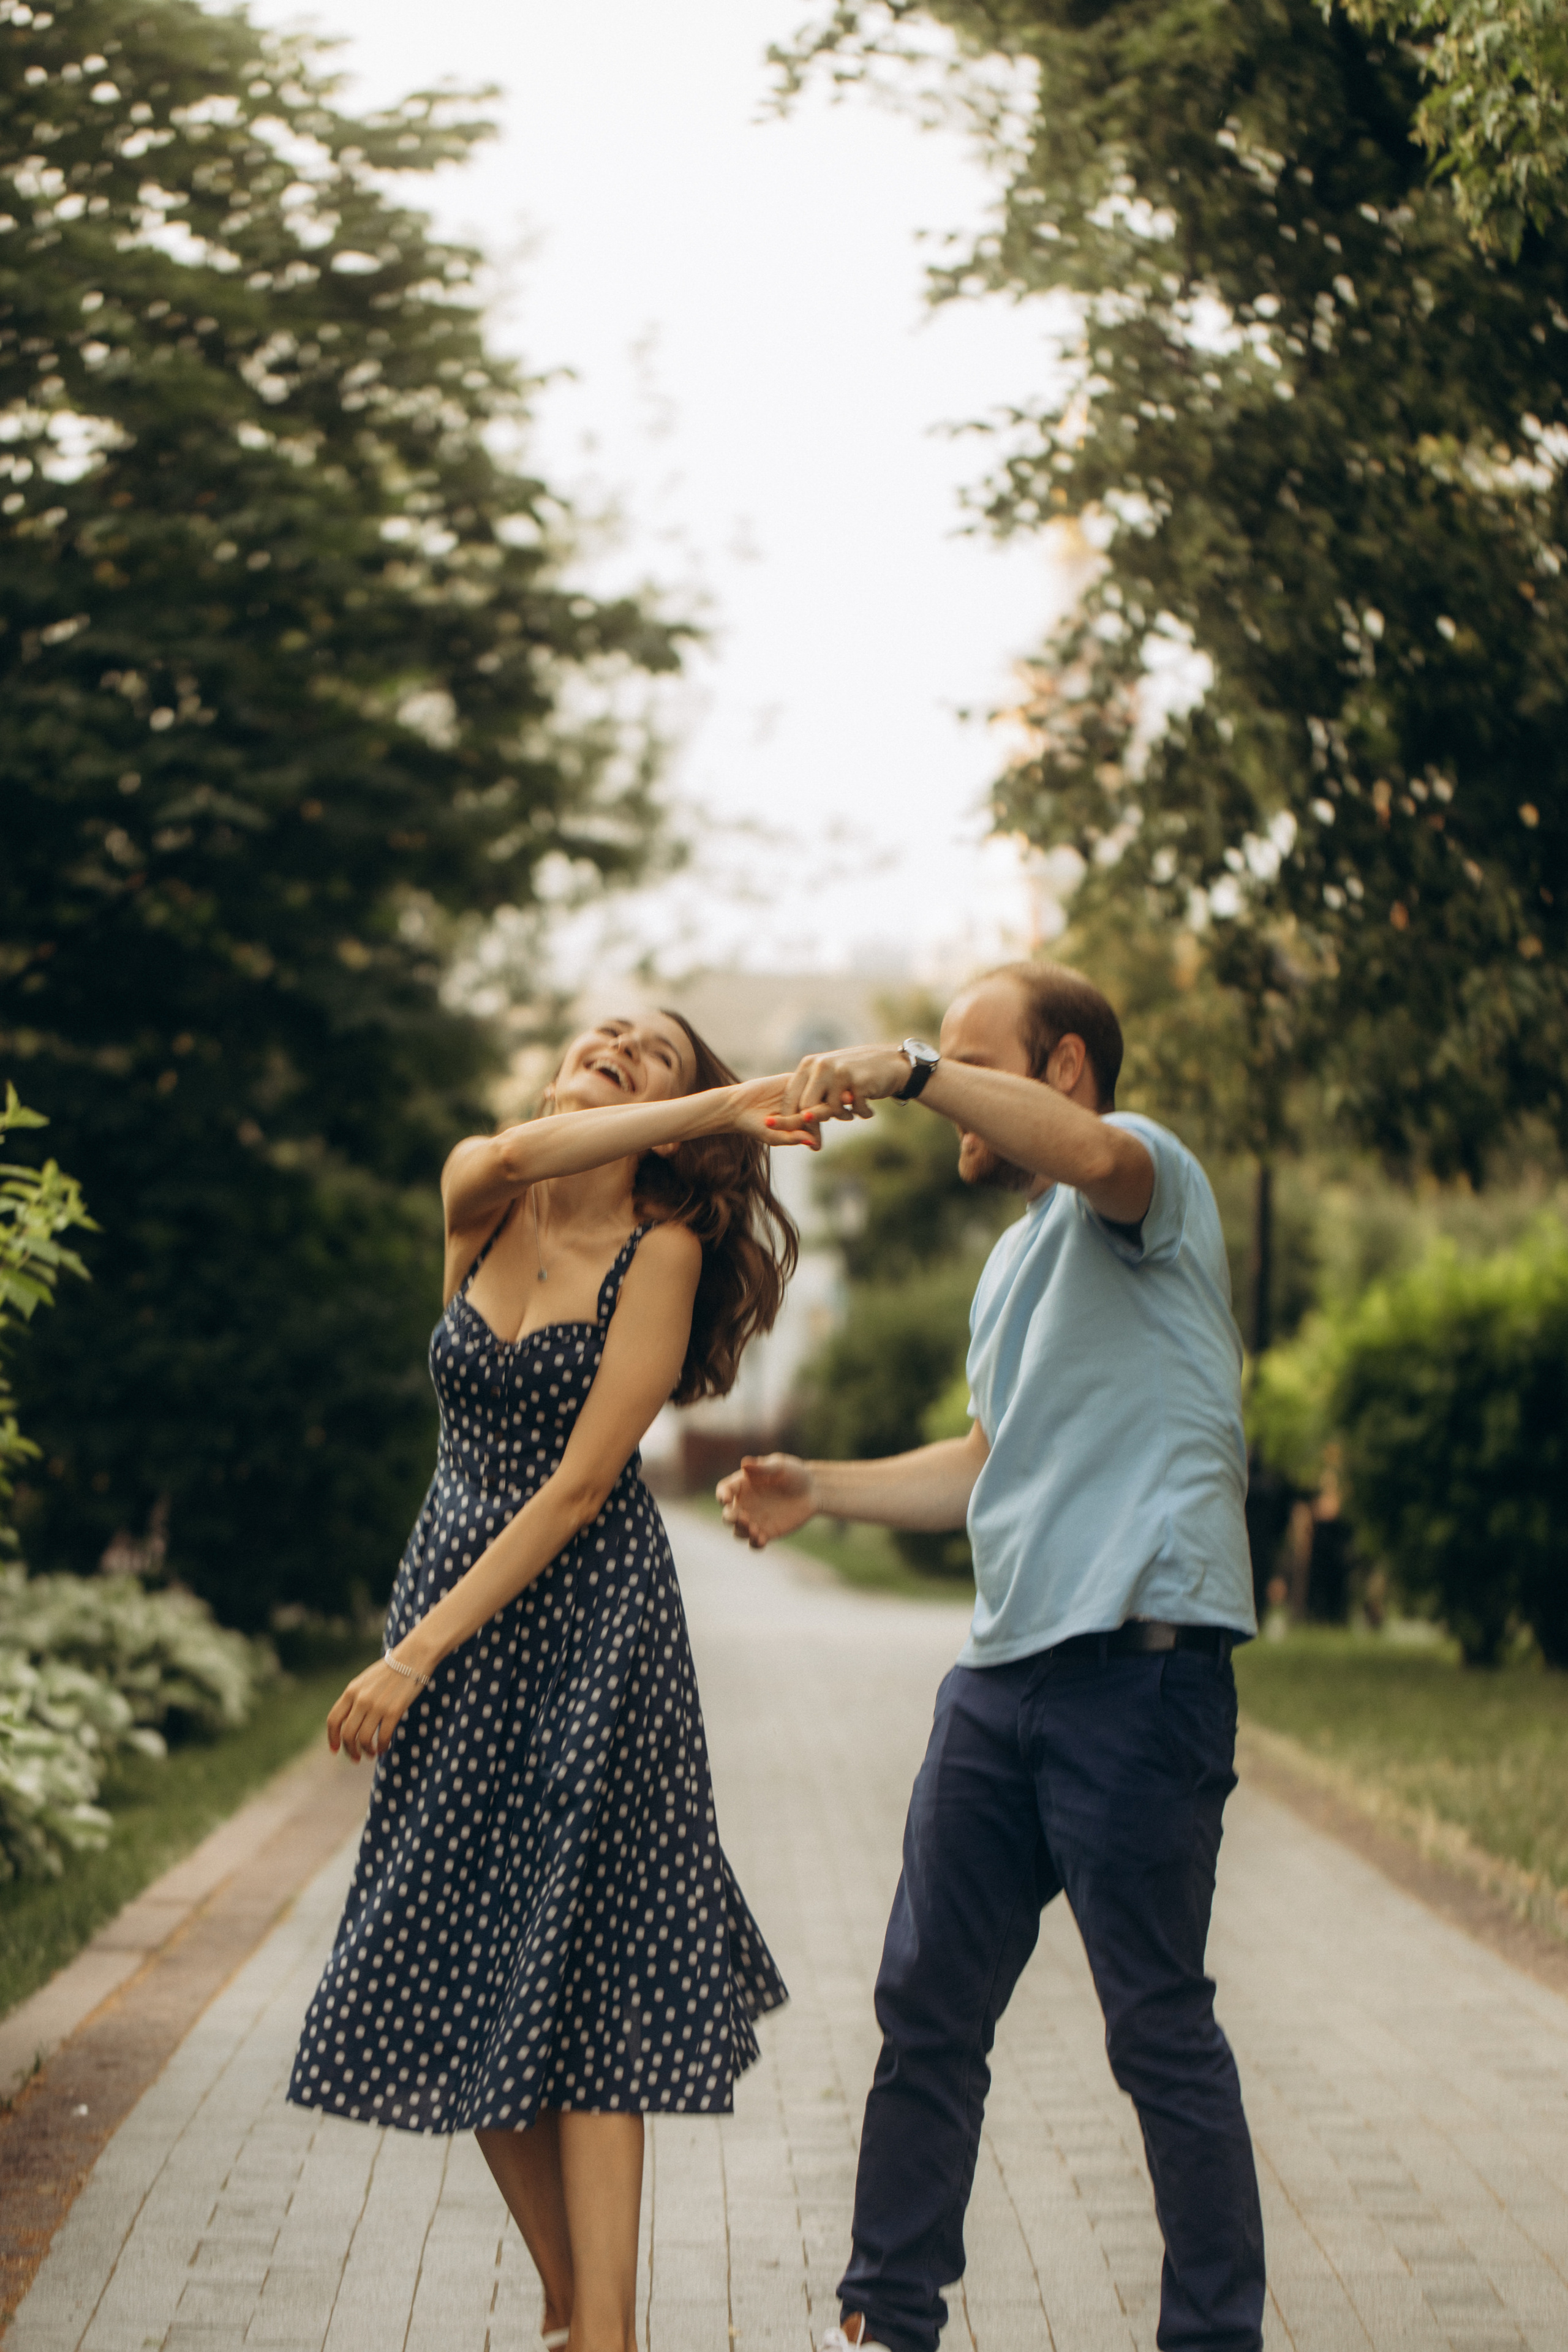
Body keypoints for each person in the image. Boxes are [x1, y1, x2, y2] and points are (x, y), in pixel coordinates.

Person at [720, 961, 1266, 2352]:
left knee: (1153, 2025)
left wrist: (902, 1064)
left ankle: (1212, 2338)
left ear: (1063, 1064)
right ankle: (883, 2319)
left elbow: (1085, 1155)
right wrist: (820, 1489)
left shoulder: (1147, 1177)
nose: (943, 1097)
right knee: (926, 2008)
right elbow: (987, 1460)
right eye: (941, 1068)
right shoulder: (1011, 1261)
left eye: (974, 1064)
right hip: (1001, 1679)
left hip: (1138, 1672)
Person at [288, 1008, 816, 2352]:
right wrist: (715, 1100)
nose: (621, 1037)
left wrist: (409, 1655)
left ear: (684, 1118)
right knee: (455, 1952)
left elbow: (582, 1487)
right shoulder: (484, 1183)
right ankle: (575, 2306)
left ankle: (607, 2333)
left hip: (591, 1634)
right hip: (451, 1611)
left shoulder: (669, 1248)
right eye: (606, 1029)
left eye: (656, 1049)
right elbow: (527, 1145)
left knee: (592, 1974)